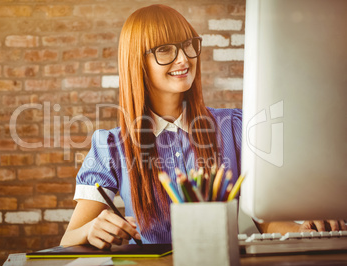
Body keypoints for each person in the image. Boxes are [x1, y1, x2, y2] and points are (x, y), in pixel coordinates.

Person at [60, 4, 345, 249]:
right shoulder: (110, 145)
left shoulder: (233, 127)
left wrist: (303, 230)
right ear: (139, 63)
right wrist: (90, 230)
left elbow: (265, 220)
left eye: (188, 45)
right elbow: (69, 240)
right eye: (165, 50)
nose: (184, 58)